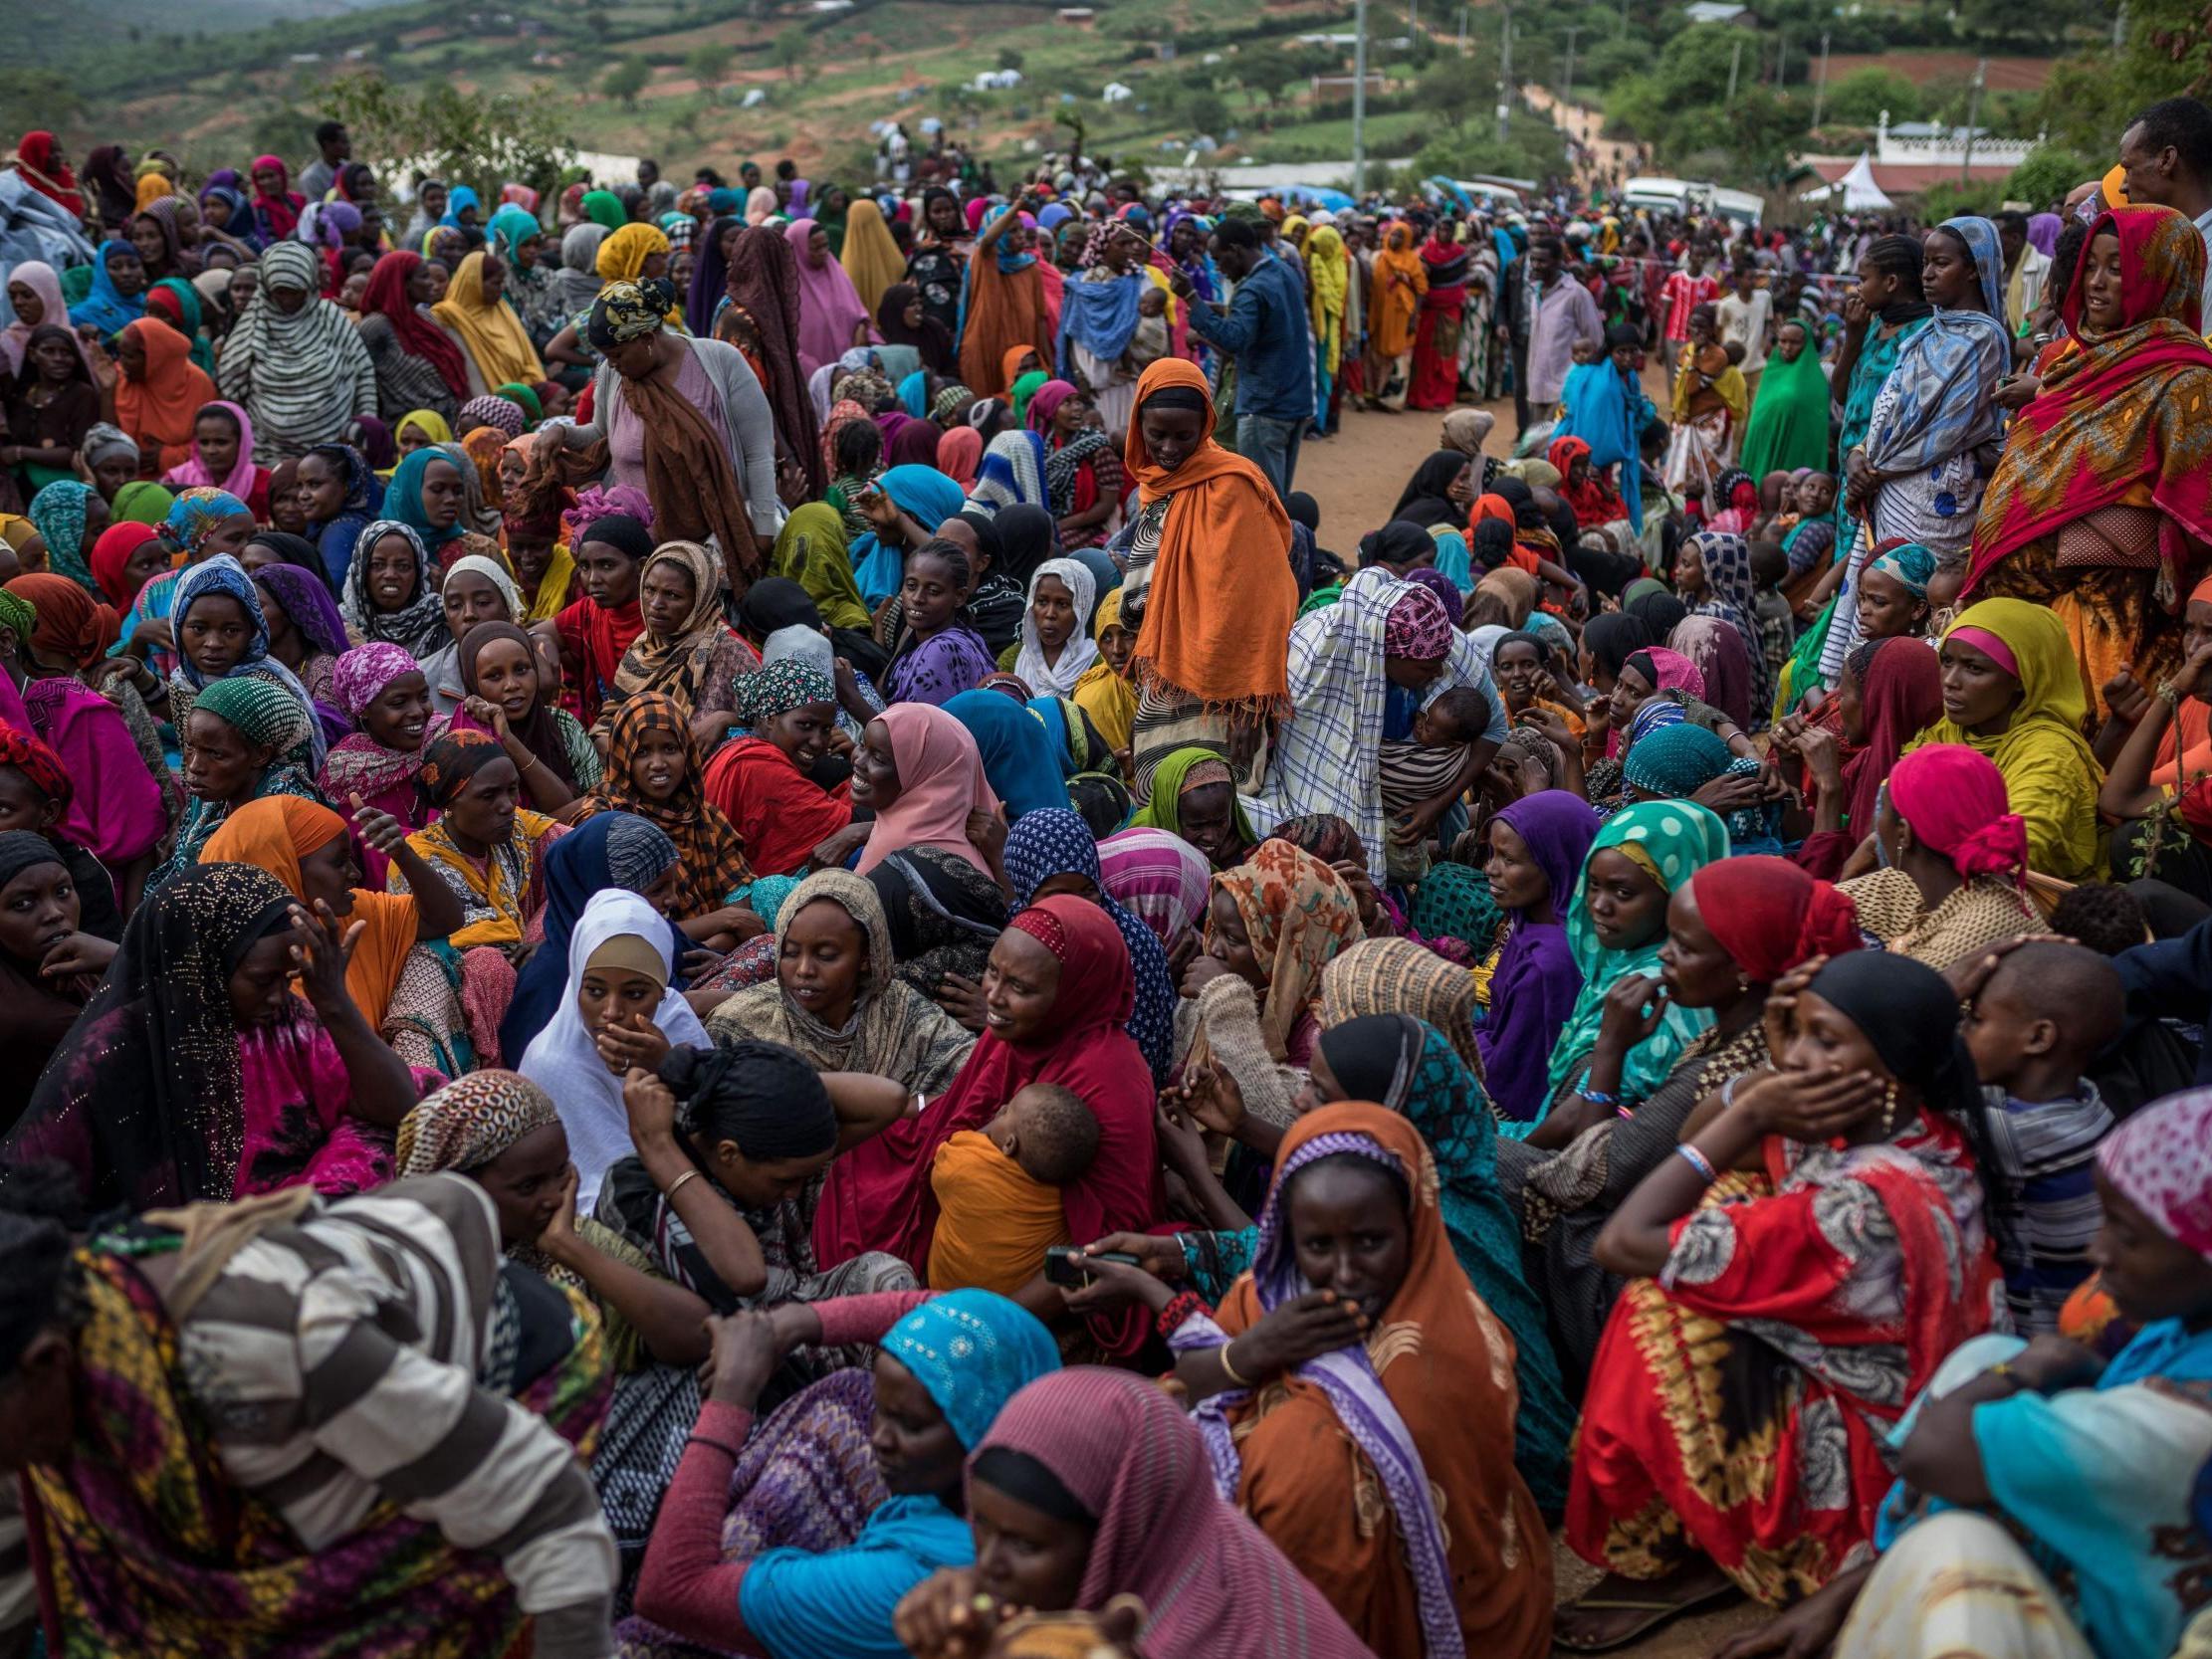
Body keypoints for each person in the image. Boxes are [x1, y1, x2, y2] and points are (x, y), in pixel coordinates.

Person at [1556, 948, 2002, 1648]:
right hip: (1891, 1405)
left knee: (1654, 1313)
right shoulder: (1919, 1128)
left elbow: (1622, 1240)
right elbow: (1698, 1138)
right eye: (1796, 1031)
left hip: (1862, 1492)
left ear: (1887, 1067)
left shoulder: (1857, 1206)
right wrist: (1772, 1066)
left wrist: (1756, 1103)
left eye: (1824, 1039)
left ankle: (1700, 1551)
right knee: (1734, 1193)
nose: (1797, 1056)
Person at [0, 1168, 619, 1658]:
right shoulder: (51, 1405)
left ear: (46, 1361)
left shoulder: (265, 1346)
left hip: (517, 1378)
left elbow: (549, 1505)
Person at [1760, 1086, 2212, 1659]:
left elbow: (1936, 1452)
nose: (2096, 1250)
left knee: (1956, 1540)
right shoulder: (2174, 1325)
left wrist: (2018, 1370)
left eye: (2126, 1234)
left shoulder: (2180, 1419)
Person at [1131, 1102, 1553, 1658]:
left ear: (1416, 1225)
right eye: (1319, 1246)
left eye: (1371, 1242)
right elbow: (1195, 1383)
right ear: (1285, 1236)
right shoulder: (1266, 1297)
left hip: (1410, 1614)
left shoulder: (1449, 1354)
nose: (1347, 1273)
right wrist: (1251, 1352)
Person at [626, 1284, 1058, 1659]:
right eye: (883, 1414)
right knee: (851, 1388)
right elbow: (945, 1317)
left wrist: (730, 1398)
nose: (879, 1439)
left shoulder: (909, 1584)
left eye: (910, 1424)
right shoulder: (1030, 1436)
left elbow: (670, 1590)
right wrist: (801, 1321)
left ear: (980, 1428)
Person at [814, 896, 1162, 1347]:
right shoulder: (1017, 1034)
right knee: (858, 1164)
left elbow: (1102, 1246)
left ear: (1075, 990)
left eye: (1020, 987)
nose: (993, 996)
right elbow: (959, 1114)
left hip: (1025, 1275)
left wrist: (979, 1327)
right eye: (993, 972)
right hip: (970, 1212)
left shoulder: (1109, 1084)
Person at [5, 861, 434, 1208]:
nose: (280, 995)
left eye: (288, 978)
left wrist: (336, 1004)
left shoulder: (286, 1022)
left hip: (295, 1219)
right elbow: (28, 1185)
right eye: (264, 980)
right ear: (203, 974)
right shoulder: (116, 1050)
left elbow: (398, 1109)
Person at [1963, 205, 2212, 717]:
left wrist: (2101, 537)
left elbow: (2195, 515)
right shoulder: (2079, 358)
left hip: (2109, 615)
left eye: (2117, 269)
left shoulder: (2187, 382)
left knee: (2078, 736)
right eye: (2091, 266)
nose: (2094, 283)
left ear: (2163, 278)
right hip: (2034, 606)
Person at [1826, 219, 2011, 676]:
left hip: (1935, 497)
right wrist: (1859, 456)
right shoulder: (1927, 334)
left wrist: (1877, 466)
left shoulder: (1983, 338)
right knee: (1873, 599)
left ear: (1974, 270)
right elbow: (1886, 409)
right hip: (1887, 485)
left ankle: (1903, 692)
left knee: (1911, 601)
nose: (1928, 273)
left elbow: (1949, 428)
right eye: (1926, 262)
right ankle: (1860, 691)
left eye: (1941, 263)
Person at [1112, 358, 1296, 795]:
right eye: (1157, 435)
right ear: (1138, 426)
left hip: (1224, 697)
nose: (1169, 448)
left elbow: (1266, 601)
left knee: (1219, 809)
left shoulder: (1233, 486)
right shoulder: (1155, 486)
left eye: (1184, 436)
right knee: (1162, 796)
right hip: (1163, 684)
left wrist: (1251, 711)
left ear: (1206, 426)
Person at [546, 278, 782, 578]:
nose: (612, 364)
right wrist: (562, 433)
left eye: (618, 354)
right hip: (639, 549)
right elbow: (599, 435)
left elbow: (758, 453)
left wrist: (761, 532)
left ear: (647, 337)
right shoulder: (613, 375)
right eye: (607, 357)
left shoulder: (720, 363)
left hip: (714, 539)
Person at [515, 888, 713, 1203]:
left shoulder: (673, 1016)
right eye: (594, 991)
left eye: (635, 994)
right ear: (577, 981)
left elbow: (724, 1124)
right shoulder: (553, 1061)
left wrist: (670, 1068)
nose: (610, 1012)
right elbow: (601, 1192)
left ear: (661, 991)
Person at [1907, 599, 2102, 881]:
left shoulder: (2051, 753)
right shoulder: (1948, 732)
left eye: (1974, 668)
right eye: (1947, 661)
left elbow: (2016, 852)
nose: (1950, 680)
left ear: (2022, 678)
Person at [1476, 789, 1602, 1125]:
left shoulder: (1546, 967)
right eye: (1492, 854)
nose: (1490, 868)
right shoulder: (1530, 925)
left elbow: (1510, 1086)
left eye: (1509, 859)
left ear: (1555, 864)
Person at [575, 692, 754, 926]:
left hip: (714, 952)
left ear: (687, 752)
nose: (658, 764)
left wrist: (717, 939)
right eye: (642, 752)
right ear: (623, 756)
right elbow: (625, 928)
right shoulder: (604, 819)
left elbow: (742, 914)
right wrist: (721, 923)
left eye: (670, 749)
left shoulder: (707, 818)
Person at [1783, 633, 1945, 877]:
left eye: (1844, 695)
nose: (1837, 704)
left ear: (1876, 702)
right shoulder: (1867, 761)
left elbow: (1821, 883)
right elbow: (1807, 841)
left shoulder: (1920, 785)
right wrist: (1789, 766)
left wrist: (1829, 788)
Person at [1173, 217, 1313, 498]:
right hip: (1294, 401)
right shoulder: (1282, 272)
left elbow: (1235, 340)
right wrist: (1223, 310)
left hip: (1264, 406)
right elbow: (1267, 319)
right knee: (1277, 493)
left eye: (1219, 259)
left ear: (1235, 250)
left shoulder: (1252, 289)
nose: (1219, 269)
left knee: (1261, 499)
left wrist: (1191, 298)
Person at [388, 727, 560, 953]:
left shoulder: (517, 826)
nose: (507, 805)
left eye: (512, 789)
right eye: (488, 796)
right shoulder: (420, 861)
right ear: (448, 804)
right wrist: (544, 952)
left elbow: (581, 848)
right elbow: (463, 941)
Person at [214, 242, 376, 463]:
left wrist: (364, 426)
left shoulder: (330, 319)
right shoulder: (253, 326)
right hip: (267, 456)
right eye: (280, 292)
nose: (287, 300)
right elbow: (231, 390)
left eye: (294, 292)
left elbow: (363, 373)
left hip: (333, 457)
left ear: (309, 287)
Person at [608, 537, 757, 739]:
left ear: (700, 600)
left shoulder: (728, 651)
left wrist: (725, 719)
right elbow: (609, 718)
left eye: (672, 595)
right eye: (650, 590)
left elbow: (770, 721)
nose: (655, 604)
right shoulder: (642, 648)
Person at [879, 539, 996, 707]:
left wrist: (851, 696)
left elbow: (914, 729)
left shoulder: (941, 651)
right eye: (911, 586)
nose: (917, 598)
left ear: (959, 597)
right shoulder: (919, 635)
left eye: (933, 591)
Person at [356, 250, 469, 424]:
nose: (431, 283)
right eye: (424, 277)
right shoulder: (377, 326)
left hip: (447, 420)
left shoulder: (426, 317)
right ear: (402, 283)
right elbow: (361, 379)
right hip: (410, 428)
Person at [113, 316, 215, 475]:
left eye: (130, 357)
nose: (122, 362)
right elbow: (107, 434)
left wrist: (167, 456)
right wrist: (106, 391)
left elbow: (214, 443)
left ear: (155, 358)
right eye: (121, 354)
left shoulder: (198, 385)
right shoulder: (120, 378)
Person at [1736, 316, 1831, 477]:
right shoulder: (1771, 370)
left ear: (1806, 344)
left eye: (1794, 342)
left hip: (1793, 452)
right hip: (1763, 447)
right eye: (1782, 341)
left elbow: (1813, 429)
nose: (1787, 347)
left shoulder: (1814, 379)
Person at [1525, 236, 1605, 412]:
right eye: (1533, 260)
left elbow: (1595, 339)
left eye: (1542, 261)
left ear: (1557, 262)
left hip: (1566, 389)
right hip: (1536, 386)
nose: (1536, 265)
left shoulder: (1577, 294)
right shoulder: (1534, 291)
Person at [159, 398, 271, 521]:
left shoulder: (263, 484)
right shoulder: (175, 481)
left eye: (221, 442)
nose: (211, 450)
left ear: (241, 443)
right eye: (204, 442)